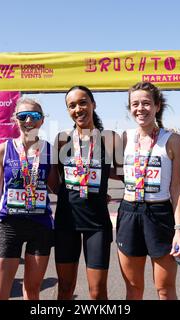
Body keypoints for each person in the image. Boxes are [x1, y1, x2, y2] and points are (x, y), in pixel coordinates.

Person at [0, 98, 58, 300]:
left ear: (41, 121)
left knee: (32, 291)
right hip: (10, 225)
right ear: (15, 119)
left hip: (41, 225)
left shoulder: (49, 150)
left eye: (35, 116)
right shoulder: (3, 150)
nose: (29, 120)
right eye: (23, 116)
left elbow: (57, 188)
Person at [115, 82, 180, 300]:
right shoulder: (124, 137)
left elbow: (177, 188)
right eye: (135, 104)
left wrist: (179, 230)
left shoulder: (172, 140)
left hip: (160, 215)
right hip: (129, 214)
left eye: (146, 103)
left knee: (164, 289)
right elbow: (119, 173)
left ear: (157, 106)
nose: (140, 109)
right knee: (134, 289)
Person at [54, 85, 122, 300]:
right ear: (68, 111)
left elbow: (121, 173)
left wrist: (97, 190)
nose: (78, 109)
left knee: (97, 292)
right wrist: (77, 192)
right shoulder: (62, 139)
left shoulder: (109, 138)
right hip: (66, 221)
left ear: (93, 104)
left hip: (96, 224)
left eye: (83, 102)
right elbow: (58, 178)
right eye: (72, 105)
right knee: (65, 288)